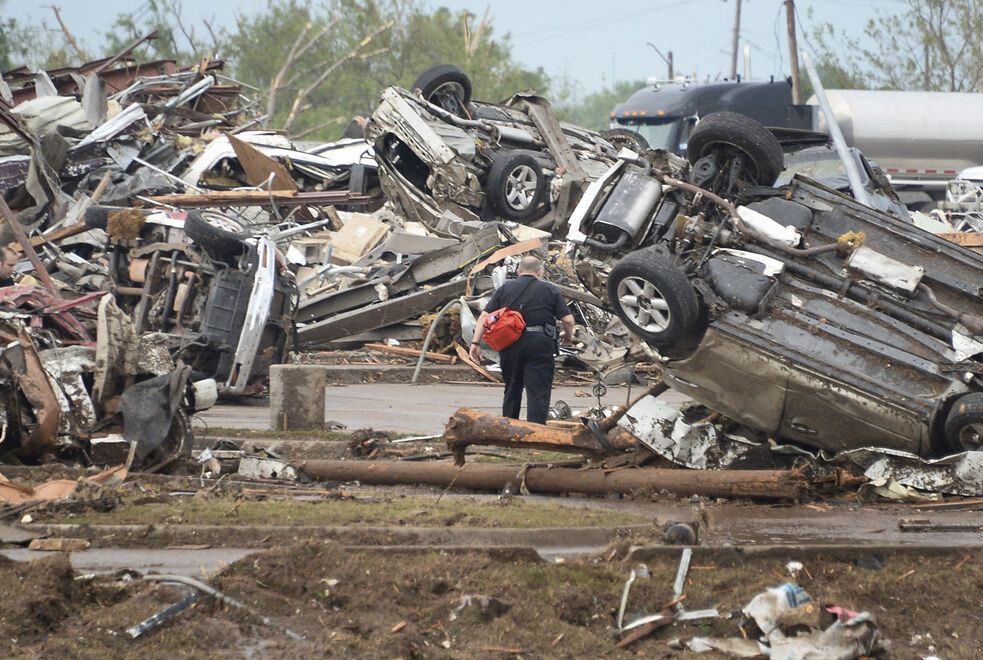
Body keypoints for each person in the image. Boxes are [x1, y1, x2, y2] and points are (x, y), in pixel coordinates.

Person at [470, 255, 575, 424]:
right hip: (539, 344)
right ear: (540, 271)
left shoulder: (505, 288)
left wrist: (475, 343)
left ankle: (509, 428)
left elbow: (485, 316)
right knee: (538, 390)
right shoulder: (550, 289)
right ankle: (535, 431)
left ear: (519, 271)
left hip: (510, 343)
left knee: (512, 387)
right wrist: (568, 336)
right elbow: (568, 320)